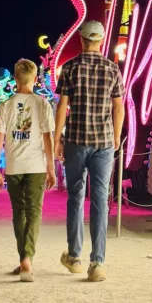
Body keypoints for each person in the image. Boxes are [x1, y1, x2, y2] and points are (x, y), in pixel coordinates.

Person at [54, 20, 125, 282]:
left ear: (82, 40)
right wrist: (115, 137)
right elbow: (119, 108)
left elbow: (62, 106)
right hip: (104, 143)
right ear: (102, 41)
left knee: (75, 196)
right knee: (100, 200)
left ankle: (74, 257)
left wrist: (56, 138)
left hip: (75, 140)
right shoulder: (112, 70)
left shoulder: (70, 68)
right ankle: (98, 263)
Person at [0, 58, 55, 282]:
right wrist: (51, 167)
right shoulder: (42, 104)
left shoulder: (7, 105)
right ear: (35, 79)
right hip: (36, 165)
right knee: (34, 211)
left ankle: (24, 259)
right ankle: (28, 259)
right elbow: (47, 138)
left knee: (19, 211)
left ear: (15, 80)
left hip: (14, 165)